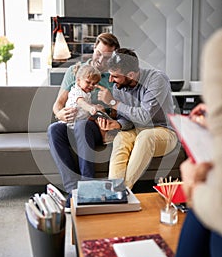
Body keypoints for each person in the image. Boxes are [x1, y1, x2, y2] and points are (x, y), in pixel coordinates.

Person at [156, 29, 222, 257]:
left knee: (201, 218)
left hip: (152, 130)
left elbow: (144, 115)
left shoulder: (154, 80)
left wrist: (194, 190)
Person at [47, 33, 120, 210]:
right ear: (94, 48)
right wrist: (60, 114)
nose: (101, 59)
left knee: (82, 124)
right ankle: (73, 190)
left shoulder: (113, 77)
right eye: (99, 53)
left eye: (107, 56)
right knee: (53, 130)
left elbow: (119, 110)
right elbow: (58, 103)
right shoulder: (76, 71)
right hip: (71, 123)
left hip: (94, 127)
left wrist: (109, 104)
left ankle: (88, 187)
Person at [96, 48, 178, 189]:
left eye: (115, 76)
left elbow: (146, 116)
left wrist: (113, 103)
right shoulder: (119, 87)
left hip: (163, 131)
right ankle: (114, 191)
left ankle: (123, 191)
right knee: (121, 138)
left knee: (145, 136)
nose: (111, 80)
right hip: (136, 130)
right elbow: (127, 118)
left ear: (131, 75)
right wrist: (117, 125)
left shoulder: (156, 79)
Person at [64, 63, 111, 143]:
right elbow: (81, 103)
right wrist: (91, 108)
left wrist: (95, 106)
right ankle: (104, 137)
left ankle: (105, 135)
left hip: (82, 117)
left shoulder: (86, 92)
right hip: (75, 121)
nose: (91, 86)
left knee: (100, 116)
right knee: (97, 117)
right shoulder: (76, 91)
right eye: (88, 82)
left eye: (93, 84)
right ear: (78, 80)